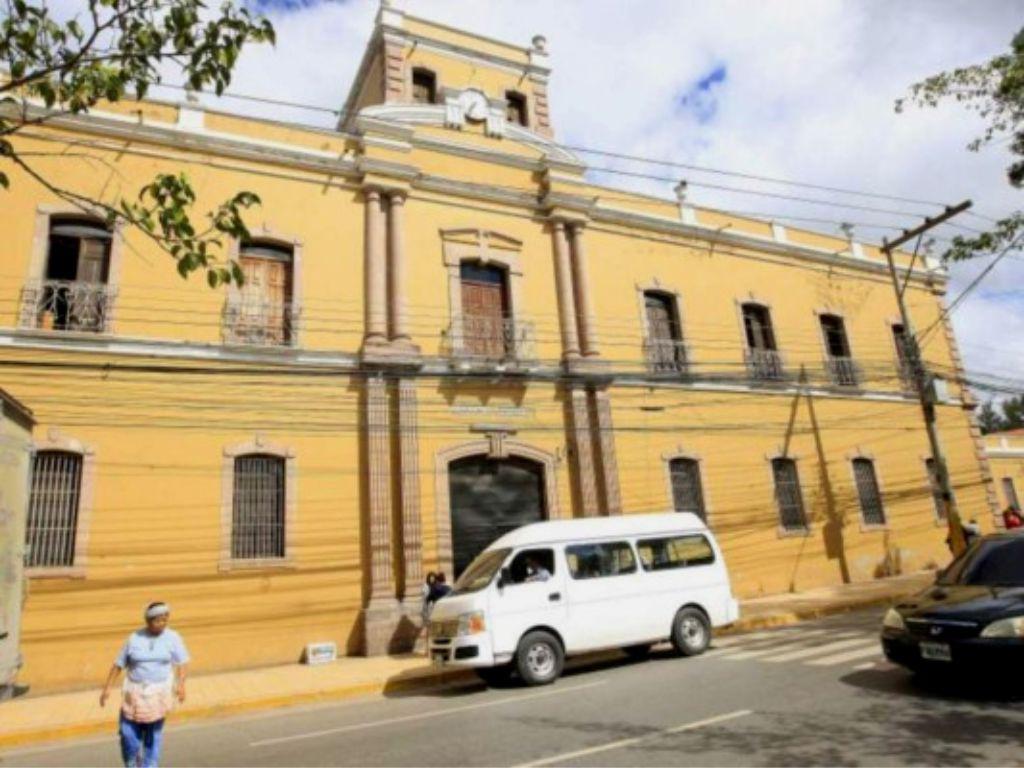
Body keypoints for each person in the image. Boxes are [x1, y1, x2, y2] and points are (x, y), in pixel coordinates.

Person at [100, 602, 189, 768]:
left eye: (166, 619)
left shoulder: (173, 638)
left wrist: (181, 685)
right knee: (127, 733)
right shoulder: (134, 638)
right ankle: (133, 763)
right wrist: (107, 688)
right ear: (149, 621)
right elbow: (119, 664)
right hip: (134, 693)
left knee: (153, 735)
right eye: (159, 620)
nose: (163, 623)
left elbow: (182, 663)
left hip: (158, 693)